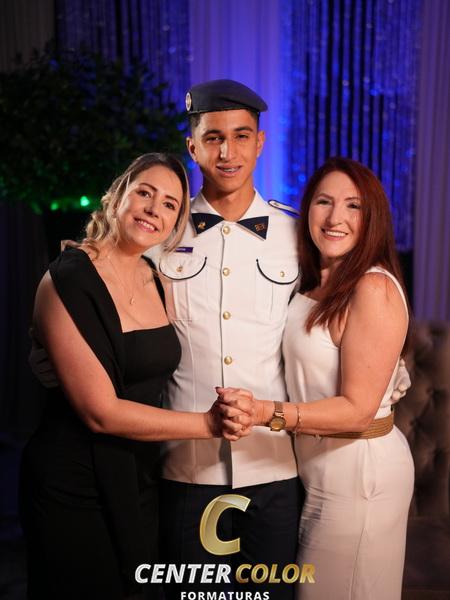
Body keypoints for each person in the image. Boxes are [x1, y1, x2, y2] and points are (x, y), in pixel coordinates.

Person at [20, 153, 247, 600]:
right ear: (117, 196)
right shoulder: (67, 277)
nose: (153, 209)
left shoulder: (156, 278)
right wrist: (209, 424)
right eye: (144, 193)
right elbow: (100, 412)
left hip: (139, 477)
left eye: (169, 204)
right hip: (74, 481)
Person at [218, 157, 415, 600]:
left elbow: (358, 410)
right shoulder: (315, 282)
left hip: (359, 475)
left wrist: (264, 413)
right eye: (324, 202)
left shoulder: (372, 287)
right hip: (319, 471)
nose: (334, 217)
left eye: (353, 206)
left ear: (373, 218)